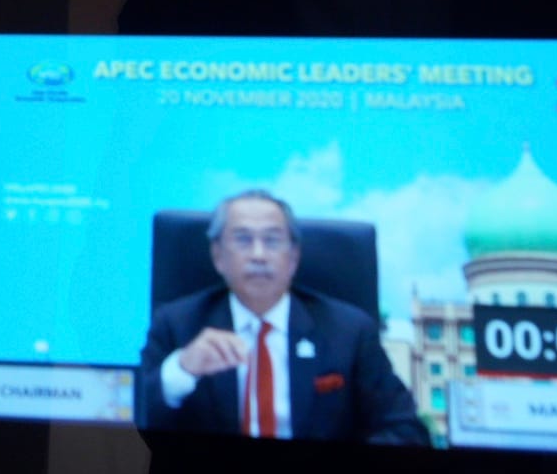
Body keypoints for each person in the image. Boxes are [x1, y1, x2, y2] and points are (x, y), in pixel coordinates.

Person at [135, 190, 426, 444]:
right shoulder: (177, 325)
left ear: (294, 257)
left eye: (272, 241)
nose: (259, 254)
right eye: (243, 240)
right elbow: (130, 423)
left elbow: (406, 431)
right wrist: (183, 370)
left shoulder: (349, 332)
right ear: (218, 256)